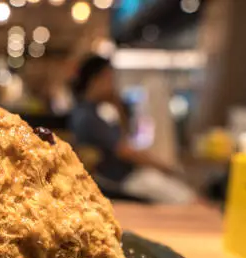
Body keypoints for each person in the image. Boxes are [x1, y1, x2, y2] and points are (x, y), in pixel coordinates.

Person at [69, 54, 196, 204]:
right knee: (186, 199)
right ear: (96, 79)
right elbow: (125, 151)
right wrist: (164, 167)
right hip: (117, 180)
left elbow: (124, 140)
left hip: (124, 177)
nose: (113, 84)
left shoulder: (95, 111)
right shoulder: (87, 115)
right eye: (109, 78)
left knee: (179, 191)